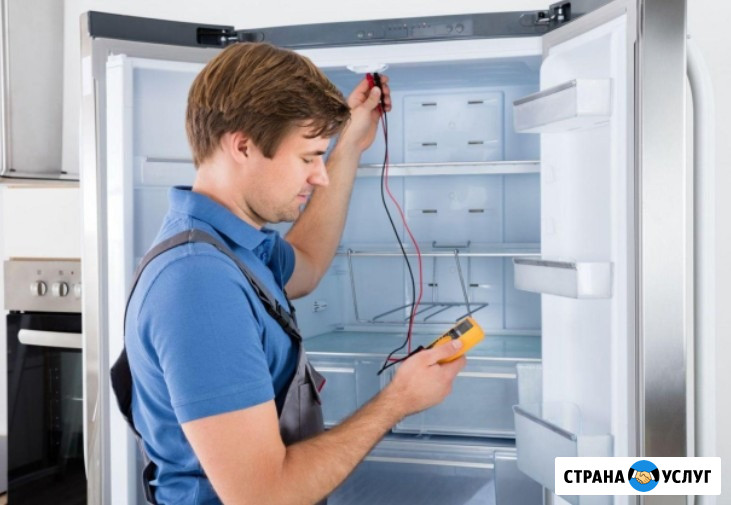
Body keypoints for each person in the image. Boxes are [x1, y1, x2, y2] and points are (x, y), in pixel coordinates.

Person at [114, 42, 466, 505]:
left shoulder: (232, 244)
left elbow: (308, 261)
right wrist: (398, 400)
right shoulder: (199, 283)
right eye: (306, 158)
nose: (319, 176)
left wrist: (348, 145)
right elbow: (264, 495)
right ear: (242, 145)